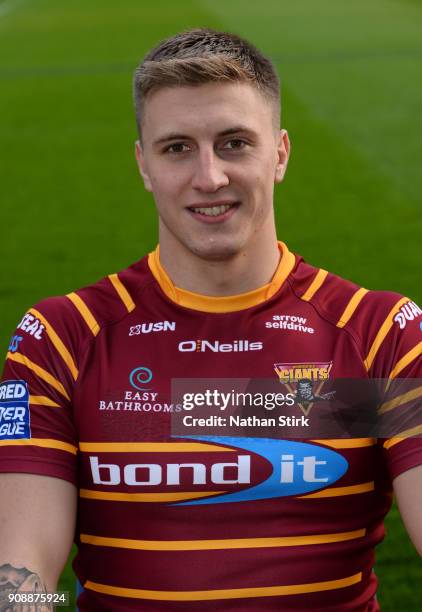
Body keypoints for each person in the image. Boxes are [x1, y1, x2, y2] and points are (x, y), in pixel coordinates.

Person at [0, 28, 421, 612]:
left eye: (233, 143)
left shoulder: (382, 333)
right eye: (177, 148)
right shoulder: (61, 338)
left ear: (279, 153)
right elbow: (21, 570)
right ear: (144, 164)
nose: (209, 178)